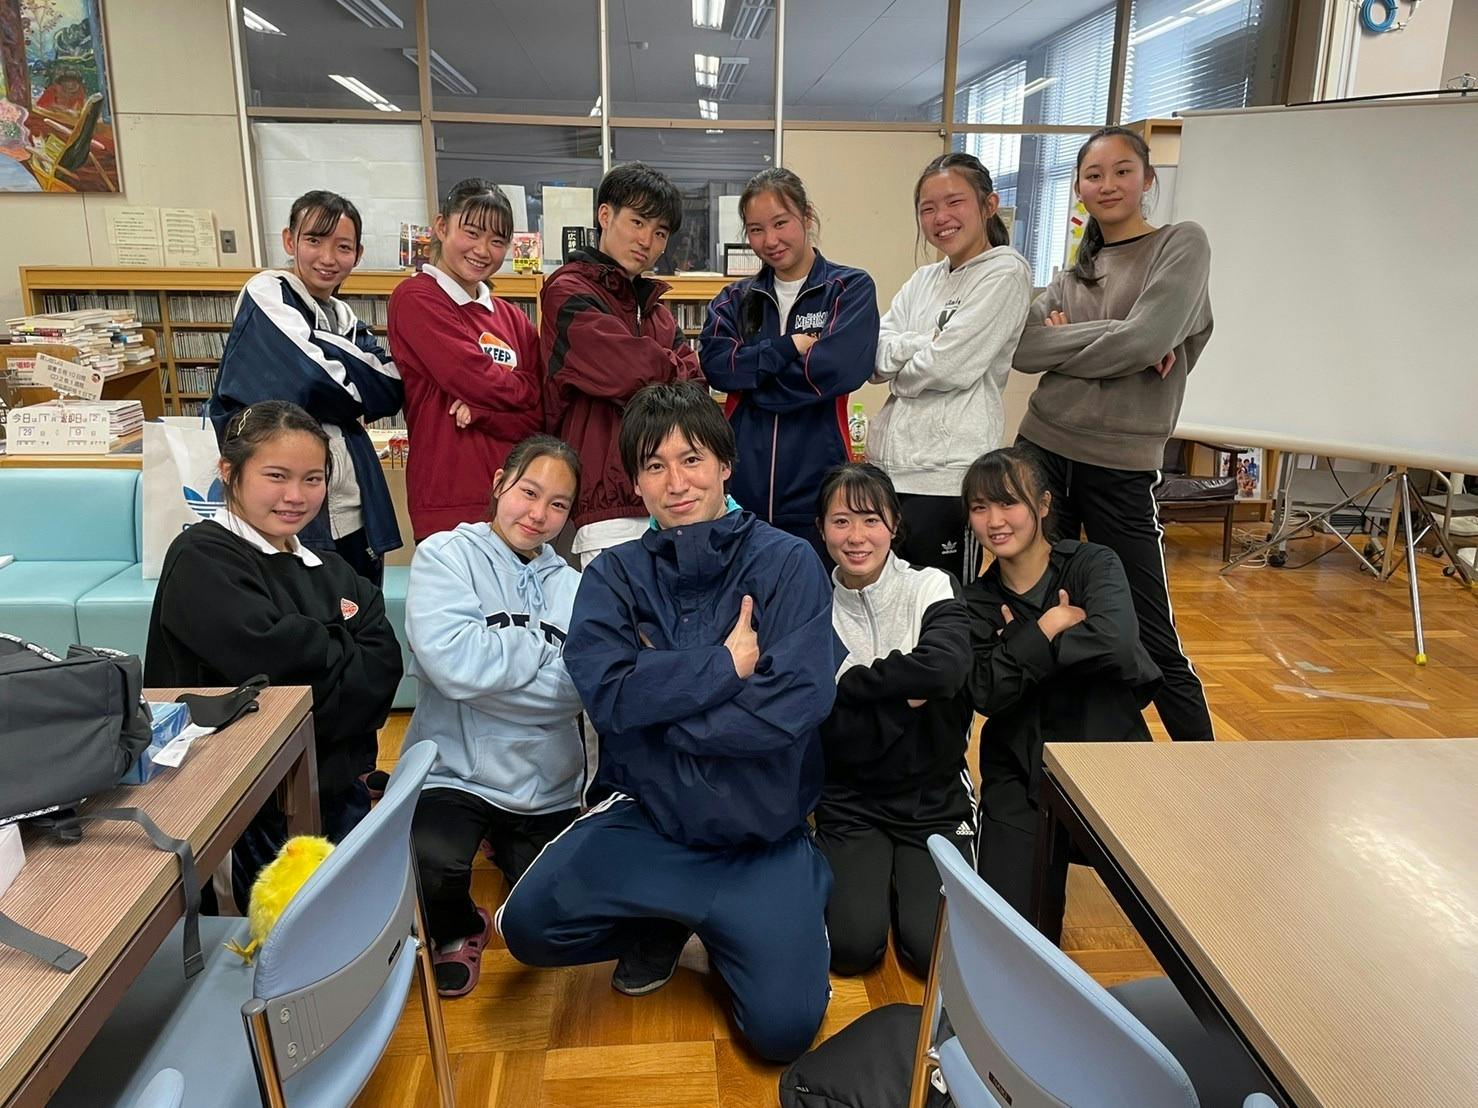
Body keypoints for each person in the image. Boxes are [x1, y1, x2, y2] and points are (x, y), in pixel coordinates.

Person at [497, 381, 838, 1063]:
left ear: (725, 464)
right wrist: (723, 666)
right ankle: (661, 918)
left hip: (760, 836)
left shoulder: (787, 560)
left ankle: (773, 906)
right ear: (635, 481)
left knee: (783, 1033)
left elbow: (791, 706)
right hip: (650, 823)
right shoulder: (615, 575)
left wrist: (657, 703)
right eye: (655, 465)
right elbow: (606, 696)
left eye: (692, 459)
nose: (675, 483)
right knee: (528, 930)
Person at [145, 402, 402, 910]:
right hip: (239, 809)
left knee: (353, 919)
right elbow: (276, 670)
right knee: (275, 938)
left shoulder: (330, 567)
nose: (295, 496)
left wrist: (317, 655)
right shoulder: (201, 557)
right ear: (229, 472)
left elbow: (383, 671)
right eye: (276, 476)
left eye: (313, 479)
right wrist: (342, 647)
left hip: (335, 791)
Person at [1012, 125, 1215, 742]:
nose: (1108, 185)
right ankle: (1057, 763)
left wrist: (1096, 340)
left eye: (1123, 171)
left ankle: (1211, 774)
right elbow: (1024, 348)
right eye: (1093, 175)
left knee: (1150, 629)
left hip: (1122, 463)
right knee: (1041, 612)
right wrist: (1122, 338)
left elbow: (1146, 340)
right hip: (1042, 452)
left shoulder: (1180, 244)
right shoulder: (1073, 270)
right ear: (1078, 188)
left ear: (1148, 179)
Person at [403, 435, 585, 997]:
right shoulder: (445, 556)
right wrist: (535, 650)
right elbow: (454, 667)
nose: (538, 514)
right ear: (500, 483)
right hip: (452, 768)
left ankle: (503, 848)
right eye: (529, 492)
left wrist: (479, 674)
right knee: (429, 864)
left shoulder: (576, 587)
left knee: (560, 910)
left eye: (558, 504)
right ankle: (461, 928)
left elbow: (575, 691)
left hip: (543, 780)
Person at [961, 446, 1160, 915]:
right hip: (1018, 770)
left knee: (1169, 910)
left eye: (1008, 502)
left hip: (1106, 755)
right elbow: (986, 691)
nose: (995, 521)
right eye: (980, 507)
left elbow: (1116, 642)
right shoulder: (975, 601)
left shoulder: (1092, 563)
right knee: (1013, 927)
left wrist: (1021, 647)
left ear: (1044, 504)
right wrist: (1051, 624)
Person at [813, 463, 975, 976]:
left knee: (933, 953)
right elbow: (830, 730)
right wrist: (907, 697)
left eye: (871, 520)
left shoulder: (930, 585)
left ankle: (901, 878)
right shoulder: (812, 608)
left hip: (933, 797)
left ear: (894, 524)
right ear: (821, 529)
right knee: (851, 949)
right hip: (850, 799)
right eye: (841, 521)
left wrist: (852, 687)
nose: (856, 537)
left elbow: (946, 669)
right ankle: (875, 877)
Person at [209, 190, 403, 584]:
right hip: (286, 503)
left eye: (343, 247)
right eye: (314, 240)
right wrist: (352, 367)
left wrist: (328, 350)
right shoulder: (268, 292)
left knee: (359, 606)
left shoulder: (344, 316)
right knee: (296, 604)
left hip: (350, 503)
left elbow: (390, 387)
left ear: (358, 254)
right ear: (289, 240)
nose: (328, 257)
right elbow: (311, 379)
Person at [700, 168, 879, 557]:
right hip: (741, 489)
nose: (770, 240)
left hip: (820, 487)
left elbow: (840, 369)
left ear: (807, 216)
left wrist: (754, 382)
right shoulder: (734, 300)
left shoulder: (848, 289)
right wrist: (787, 348)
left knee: (814, 588)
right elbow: (717, 367)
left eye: (780, 223)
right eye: (756, 229)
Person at [871, 153, 1031, 582]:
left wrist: (904, 372)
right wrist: (925, 341)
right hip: (890, 471)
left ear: (989, 204)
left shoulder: (1005, 271)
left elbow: (949, 367)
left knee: (942, 603)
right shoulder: (923, 280)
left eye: (954, 202)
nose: (940, 217)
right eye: (928, 208)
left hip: (948, 479)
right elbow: (874, 357)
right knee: (889, 593)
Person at [541, 162, 703, 569]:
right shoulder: (567, 290)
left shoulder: (658, 312)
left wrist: (658, 367)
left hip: (669, 500)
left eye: (660, 232)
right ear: (605, 215)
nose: (647, 240)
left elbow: (697, 388)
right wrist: (669, 368)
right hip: (604, 507)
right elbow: (627, 370)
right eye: (637, 222)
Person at [388, 178, 543, 541]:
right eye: (472, 233)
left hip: (516, 503)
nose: (483, 250)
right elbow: (473, 377)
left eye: (497, 241)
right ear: (441, 227)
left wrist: (484, 413)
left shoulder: (513, 318)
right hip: (448, 501)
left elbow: (540, 413)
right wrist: (522, 389)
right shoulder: (416, 298)